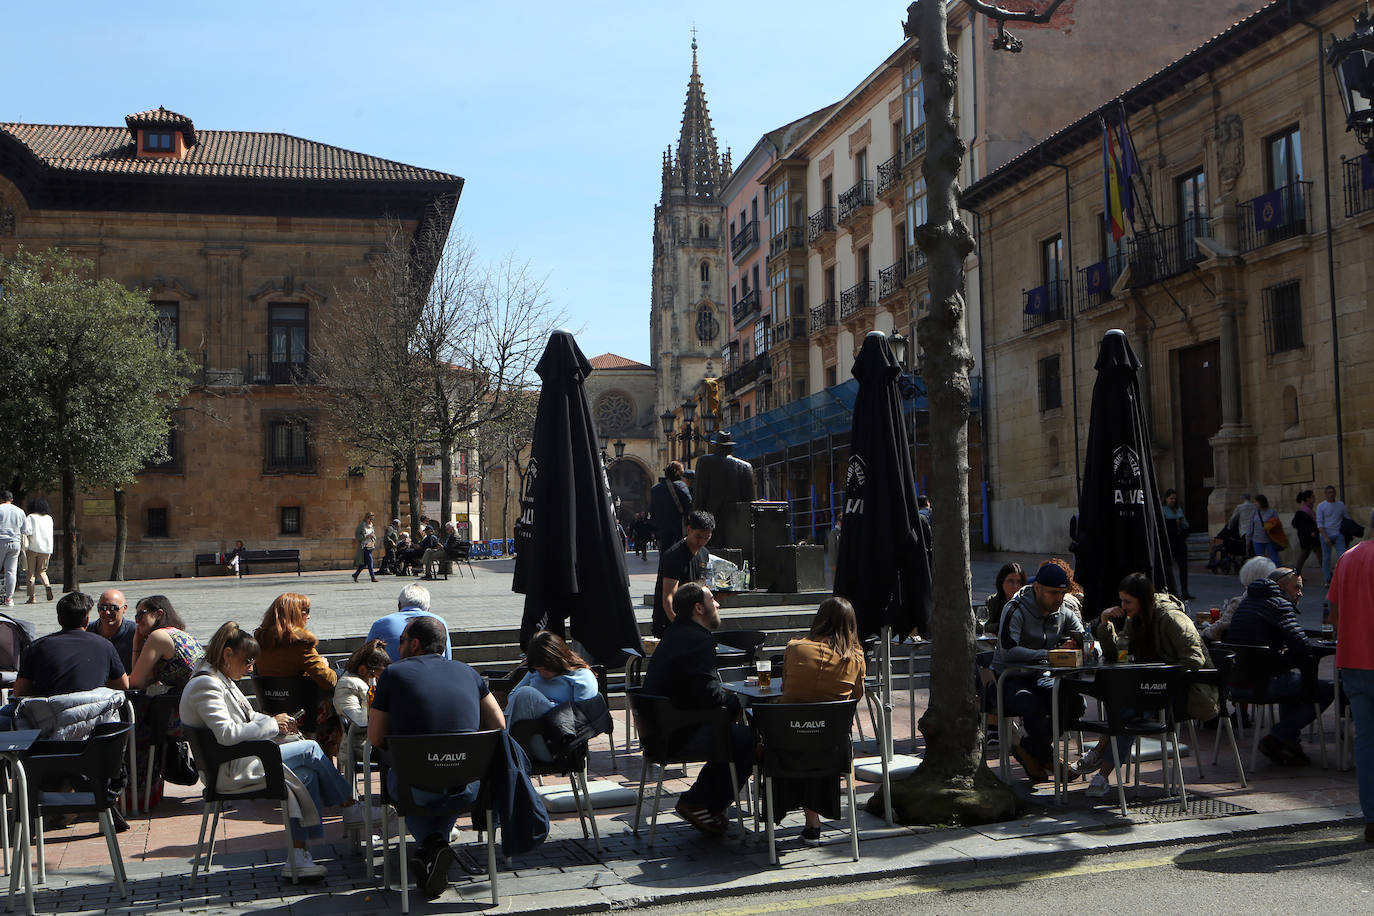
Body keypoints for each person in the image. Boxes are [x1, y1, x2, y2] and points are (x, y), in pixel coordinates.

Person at [181, 622, 367, 882]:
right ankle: (350, 807)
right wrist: (271, 724)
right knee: (311, 750)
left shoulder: (219, 677)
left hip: (243, 760)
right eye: (248, 661)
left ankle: (299, 857)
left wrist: (277, 719)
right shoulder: (206, 685)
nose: (250, 669)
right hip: (232, 768)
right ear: (227, 655)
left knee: (305, 776)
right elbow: (228, 734)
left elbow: (247, 714)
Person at [368, 615, 505, 900]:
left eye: (402, 641)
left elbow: (376, 738)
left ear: (415, 644)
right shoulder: (468, 672)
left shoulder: (393, 674)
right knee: (446, 774)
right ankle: (435, 847)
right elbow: (498, 725)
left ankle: (431, 845)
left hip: (413, 787)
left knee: (407, 775)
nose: (398, 647)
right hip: (467, 787)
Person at [1075, 573, 1218, 796]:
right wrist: (1105, 623)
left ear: (1143, 599)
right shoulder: (1136, 620)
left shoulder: (1173, 619)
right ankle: (1102, 773)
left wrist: (1157, 674)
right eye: (1121, 601)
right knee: (1127, 708)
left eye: (1128, 602)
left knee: (1129, 710)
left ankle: (1101, 763)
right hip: (1150, 690)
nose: (1123, 606)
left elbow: (1194, 660)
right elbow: (1117, 654)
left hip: (1185, 690)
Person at [642, 582, 753, 836]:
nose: (717, 604)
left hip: (659, 729)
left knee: (733, 736)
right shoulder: (698, 640)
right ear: (698, 608)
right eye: (712, 599)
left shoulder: (676, 633)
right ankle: (700, 802)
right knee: (746, 740)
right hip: (678, 733)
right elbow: (710, 695)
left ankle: (706, 804)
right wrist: (737, 701)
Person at [778, 597, 866, 845]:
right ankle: (814, 823)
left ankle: (810, 821)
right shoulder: (856, 658)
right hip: (834, 747)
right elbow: (856, 696)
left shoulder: (795, 648)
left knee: (802, 734)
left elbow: (786, 685)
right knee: (821, 733)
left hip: (788, 744)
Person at [990, 561, 1087, 782]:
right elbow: (1007, 650)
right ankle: (1045, 756)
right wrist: (1049, 654)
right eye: (1053, 593)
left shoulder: (1063, 610)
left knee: (1075, 703)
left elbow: (1086, 639)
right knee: (1033, 704)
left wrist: (1088, 644)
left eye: (1062, 593)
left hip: (1043, 677)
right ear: (1037, 589)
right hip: (1011, 678)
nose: (1059, 599)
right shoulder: (1015, 608)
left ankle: (1029, 749)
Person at [1228, 566, 1334, 766]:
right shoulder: (1279, 604)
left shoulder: (1247, 602)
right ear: (1280, 587)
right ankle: (1277, 737)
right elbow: (1302, 648)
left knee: (1294, 684)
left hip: (1236, 683)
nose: (1300, 593)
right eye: (1296, 588)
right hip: (1261, 683)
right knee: (1327, 690)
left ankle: (1288, 744)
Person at [1327, 538, 1374, 842]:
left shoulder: (1348, 556)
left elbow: (1334, 613)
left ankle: (1372, 818)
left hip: (1355, 661)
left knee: (1366, 742)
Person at [504, 630, 599, 761]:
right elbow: (512, 697)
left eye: (545, 669)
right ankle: (507, 748)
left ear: (557, 661)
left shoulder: (581, 676)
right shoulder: (535, 673)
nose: (542, 673)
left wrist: (548, 707)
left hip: (557, 739)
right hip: (532, 732)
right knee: (522, 695)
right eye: (538, 669)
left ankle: (505, 750)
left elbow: (582, 718)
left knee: (526, 694)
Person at [14, 591, 128, 697]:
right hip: (94, 714)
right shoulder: (105, 645)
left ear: (59, 619)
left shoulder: (36, 647)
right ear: (86, 621)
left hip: (49, 715)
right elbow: (123, 685)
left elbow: (19, 692)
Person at [652, 510, 715, 637]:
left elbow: (702, 588)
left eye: (707, 537)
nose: (701, 542)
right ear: (689, 530)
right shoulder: (673, 556)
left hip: (694, 621)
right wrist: (679, 626)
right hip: (670, 623)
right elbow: (668, 598)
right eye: (698, 536)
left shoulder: (704, 554)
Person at [128, 595, 203, 690]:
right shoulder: (176, 633)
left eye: (140, 615)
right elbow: (145, 681)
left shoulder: (158, 636)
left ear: (159, 614)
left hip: (197, 696)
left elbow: (135, 683)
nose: (137, 621)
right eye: (136, 617)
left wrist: (136, 645)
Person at [334, 639, 390, 764]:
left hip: (374, 740)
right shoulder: (348, 684)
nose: (381, 680)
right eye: (378, 676)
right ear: (363, 670)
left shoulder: (360, 683)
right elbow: (354, 719)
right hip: (361, 744)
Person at [366, 583, 452, 662]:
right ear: (428, 608)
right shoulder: (439, 623)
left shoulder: (381, 624)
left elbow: (365, 656)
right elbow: (447, 658)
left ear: (399, 605)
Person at [1201, 555, 1276, 643]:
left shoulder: (1238, 603)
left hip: (1240, 652)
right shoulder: (1277, 603)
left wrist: (1202, 633)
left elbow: (1217, 630)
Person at [87, 588, 137, 673]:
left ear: (124, 608)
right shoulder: (87, 632)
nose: (107, 612)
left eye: (113, 608)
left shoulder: (136, 632)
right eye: (102, 608)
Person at [649, 461, 692, 553]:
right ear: (678, 473)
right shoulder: (681, 486)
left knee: (664, 553)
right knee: (680, 552)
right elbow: (689, 505)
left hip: (661, 528)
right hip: (678, 527)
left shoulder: (655, 489)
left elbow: (652, 510)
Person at [1160, 489, 1194, 599]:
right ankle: (1169, 591)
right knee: (1167, 567)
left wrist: (1181, 523)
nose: (1173, 501)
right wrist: (1175, 523)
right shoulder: (1163, 510)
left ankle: (1185, 591)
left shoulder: (1178, 509)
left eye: (1174, 498)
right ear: (1166, 499)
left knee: (1183, 566)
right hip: (1169, 542)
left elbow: (1185, 524)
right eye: (1171, 498)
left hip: (1179, 541)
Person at [22, 498, 53, 604]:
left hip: (33, 547)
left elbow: (27, 531)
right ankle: (47, 586)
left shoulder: (31, 517)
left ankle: (32, 597)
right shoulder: (49, 518)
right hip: (46, 549)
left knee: (31, 573)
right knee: (42, 571)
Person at [1317, 485, 1350, 586]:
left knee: (1343, 557)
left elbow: (1346, 517)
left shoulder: (1340, 505)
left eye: (1333, 492)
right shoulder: (1321, 506)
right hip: (1325, 535)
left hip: (1338, 534)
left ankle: (1343, 578)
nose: (1331, 494)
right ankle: (1327, 580)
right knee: (1326, 558)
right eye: (1329, 492)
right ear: (1325, 494)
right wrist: (1325, 536)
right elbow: (1320, 523)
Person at [985, 562, 1026, 634]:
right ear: (1001, 582)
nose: (1015, 586)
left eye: (1019, 582)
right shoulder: (993, 601)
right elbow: (983, 626)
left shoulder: (1027, 603)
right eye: (1011, 581)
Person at [0, 490, 25, 607]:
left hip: (1, 540)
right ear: (12, 499)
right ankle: (9, 598)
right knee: (11, 571)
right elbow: (25, 530)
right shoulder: (20, 511)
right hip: (15, 542)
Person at [1292, 490, 1320, 579]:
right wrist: (1311, 532)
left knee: (1304, 555)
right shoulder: (1305, 511)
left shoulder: (1307, 510)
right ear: (1308, 499)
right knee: (1321, 555)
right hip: (1310, 539)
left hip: (1307, 539)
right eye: (1312, 496)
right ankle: (1329, 575)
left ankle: (1295, 575)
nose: (1314, 498)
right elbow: (1305, 526)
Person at [1248, 494, 1283, 564]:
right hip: (1257, 539)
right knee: (1259, 559)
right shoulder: (1254, 512)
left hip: (1270, 538)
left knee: (1274, 558)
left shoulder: (1272, 512)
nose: (1255, 504)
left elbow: (1277, 524)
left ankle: (1276, 573)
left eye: (1256, 502)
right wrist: (1248, 538)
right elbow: (1251, 525)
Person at [1228, 493, 1256, 558]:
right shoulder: (1254, 506)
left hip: (1244, 530)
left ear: (1243, 499)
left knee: (1246, 547)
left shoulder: (1240, 507)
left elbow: (1233, 518)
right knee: (1254, 548)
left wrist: (1229, 527)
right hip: (1255, 530)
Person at [353, 512, 378, 583]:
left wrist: (373, 538)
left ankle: (356, 574)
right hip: (364, 546)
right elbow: (357, 535)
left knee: (364, 563)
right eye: (370, 519)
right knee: (370, 561)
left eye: (372, 519)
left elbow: (373, 533)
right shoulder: (362, 525)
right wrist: (366, 536)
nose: (371, 521)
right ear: (366, 518)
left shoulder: (371, 525)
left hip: (370, 545)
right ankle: (373, 577)